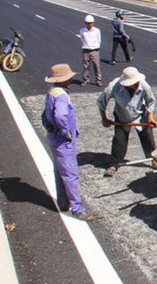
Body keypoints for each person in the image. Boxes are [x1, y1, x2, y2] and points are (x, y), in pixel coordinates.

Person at [42, 64, 93, 221]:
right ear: (63, 80)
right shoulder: (62, 96)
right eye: (68, 78)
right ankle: (77, 208)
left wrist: (49, 127)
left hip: (52, 137)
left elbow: (44, 116)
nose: (71, 80)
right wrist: (66, 132)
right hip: (63, 141)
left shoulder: (51, 92)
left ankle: (63, 203)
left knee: (59, 172)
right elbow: (60, 116)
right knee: (71, 175)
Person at [97, 67, 157, 177]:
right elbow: (101, 102)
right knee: (119, 140)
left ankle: (154, 159)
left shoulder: (144, 85)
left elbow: (151, 101)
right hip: (122, 116)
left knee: (148, 138)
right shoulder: (113, 87)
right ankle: (114, 164)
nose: (136, 84)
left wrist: (150, 117)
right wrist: (104, 119)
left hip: (140, 115)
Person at [80, 14, 102, 87]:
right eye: (88, 23)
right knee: (86, 66)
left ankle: (98, 80)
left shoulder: (96, 30)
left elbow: (99, 40)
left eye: (91, 23)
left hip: (94, 50)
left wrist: (96, 47)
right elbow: (82, 39)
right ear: (85, 23)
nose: (90, 25)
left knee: (96, 66)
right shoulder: (82, 31)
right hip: (86, 50)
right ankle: (86, 79)